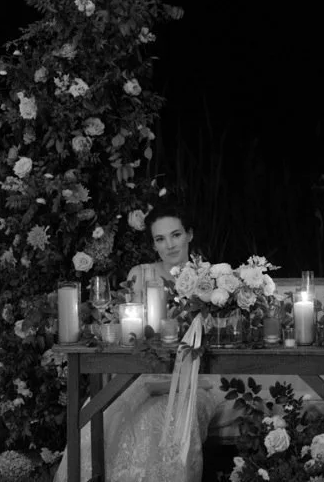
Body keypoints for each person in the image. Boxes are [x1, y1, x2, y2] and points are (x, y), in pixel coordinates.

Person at [54, 204, 217, 482]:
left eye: (176, 235)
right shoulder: (140, 275)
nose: (169, 245)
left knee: (160, 416)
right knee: (103, 408)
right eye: (160, 239)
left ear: (189, 234)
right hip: (140, 375)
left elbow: (213, 338)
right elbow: (128, 333)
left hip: (192, 379)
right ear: (153, 244)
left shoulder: (210, 278)